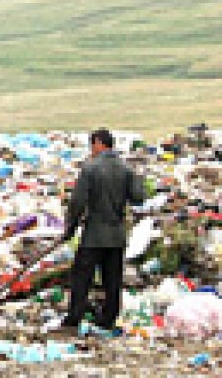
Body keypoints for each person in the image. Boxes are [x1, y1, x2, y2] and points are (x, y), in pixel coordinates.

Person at [61, 128, 146, 333]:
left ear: (99, 143)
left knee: (82, 277)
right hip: (117, 234)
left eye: (92, 145)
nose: (91, 150)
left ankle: (74, 317)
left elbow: (77, 202)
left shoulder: (90, 168)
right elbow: (138, 198)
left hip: (94, 234)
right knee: (112, 279)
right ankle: (108, 318)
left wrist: (70, 227)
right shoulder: (126, 169)